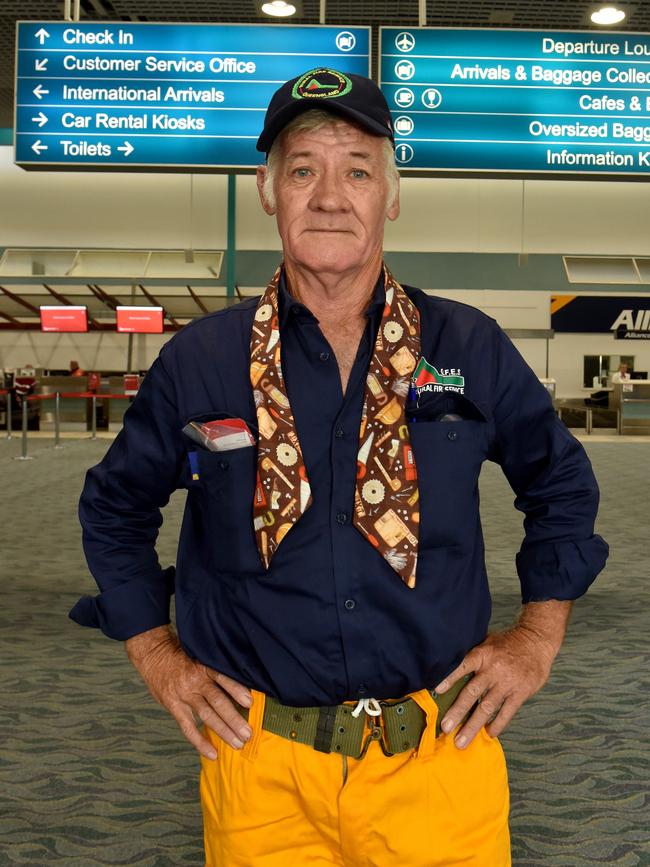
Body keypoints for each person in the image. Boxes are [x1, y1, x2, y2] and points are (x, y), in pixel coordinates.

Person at [70, 68, 608, 866]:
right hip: (258, 767)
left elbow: (560, 483)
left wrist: (537, 635)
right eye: (303, 169)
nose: (330, 195)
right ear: (266, 189)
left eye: (358, 168)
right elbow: (116, 508)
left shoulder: (467, 346)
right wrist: (156, 653)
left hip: (440, 758)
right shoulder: (202, 362)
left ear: (391, 194)